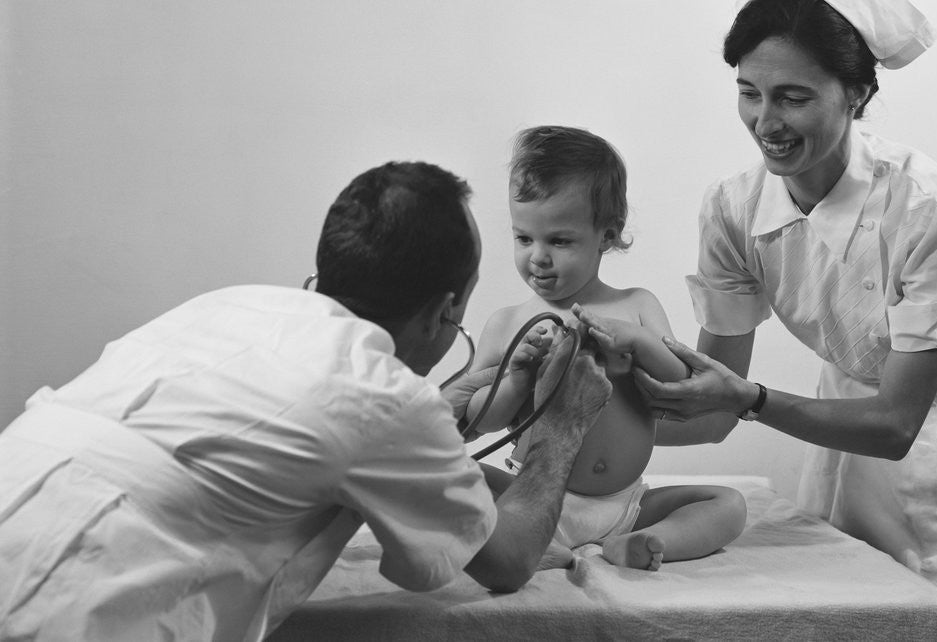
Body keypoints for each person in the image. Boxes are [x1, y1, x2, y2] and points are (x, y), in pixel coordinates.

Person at [0, 161, 612, 642]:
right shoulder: (384, 400)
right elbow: (506, 563)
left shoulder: (226, 305)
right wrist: (564, 424)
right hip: (68, 617)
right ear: (444, 312)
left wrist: (445, 408)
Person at [616, 0, 937, 640]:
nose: (765, 120)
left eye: (793, 97)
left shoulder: (932, 211)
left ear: (857, 95)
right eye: (750, 92)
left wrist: (745, 402)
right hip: (839, 427)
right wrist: (587, 413)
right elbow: (715, 405)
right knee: (847, 612)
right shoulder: (734, 209)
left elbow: (895, 425)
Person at [464, 126, 747, 572]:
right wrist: (519, 375)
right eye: (524, 238)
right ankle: (533, 542)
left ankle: (647, 541)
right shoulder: (507, 323)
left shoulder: (636, 305)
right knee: (459, 479)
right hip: (531, 497)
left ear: (607, 235)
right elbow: (479, 420)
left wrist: (639, 343)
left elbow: (682, 389)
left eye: (559, 240)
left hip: (626, 503)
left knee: (727, 504)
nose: (537, 256)